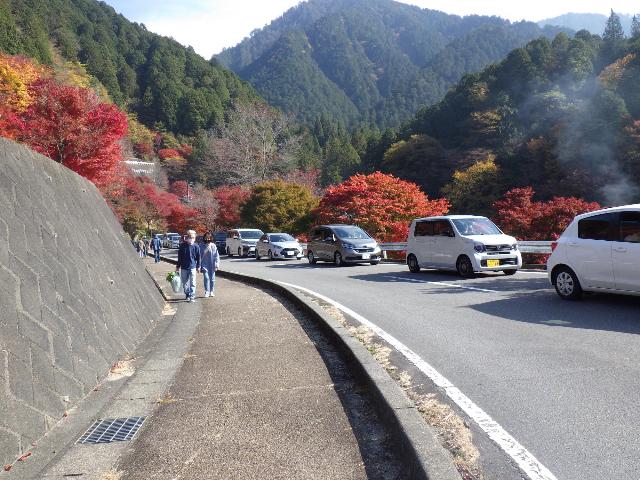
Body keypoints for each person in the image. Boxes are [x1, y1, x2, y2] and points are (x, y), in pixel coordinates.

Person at [176, 230, 201, 302]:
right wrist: (178, 267)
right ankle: (187, 294)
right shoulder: (182, 246)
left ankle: (192, 296)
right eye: (190, 237)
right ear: (187, 237)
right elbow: (179, 257)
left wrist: (198, 266)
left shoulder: (196, 246)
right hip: (184, 267)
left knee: (193, 282)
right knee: (184, 282)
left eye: (193, 237)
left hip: (192, 267)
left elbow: (198, 257)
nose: (192, 238)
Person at [200, 232, 220, 298]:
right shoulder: (201, 245)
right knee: (206, 278)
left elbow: (216, 256)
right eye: (206, 238)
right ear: (204, 238)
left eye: (209, 238)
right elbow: (199, 256)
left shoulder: (213, 245)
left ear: (211, 238)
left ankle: (211, 291)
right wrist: (198, 265)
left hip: (212, 264)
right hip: (204, 264)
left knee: (212, 279)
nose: (207, 239)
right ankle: (206, 291)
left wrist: (217, 264)